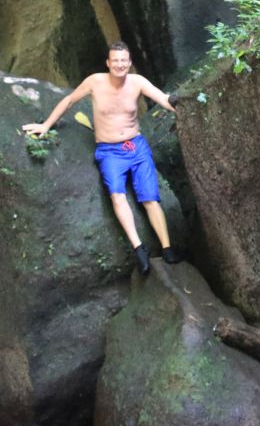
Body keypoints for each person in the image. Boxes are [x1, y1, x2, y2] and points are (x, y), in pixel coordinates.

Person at [22, 41, 181, 275]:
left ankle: (167, 249)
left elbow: (164, 99)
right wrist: (46, 125)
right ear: (108, 63)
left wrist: (189, 106)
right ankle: (139, 248)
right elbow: (69, 101)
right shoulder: (95, 82)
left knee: (150, 198)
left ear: (129, 63)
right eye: (115, 61)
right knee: (118, 196)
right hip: (109, 150)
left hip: (135, 147)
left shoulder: (138, 82)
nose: (119, 65)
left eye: (124, 61)